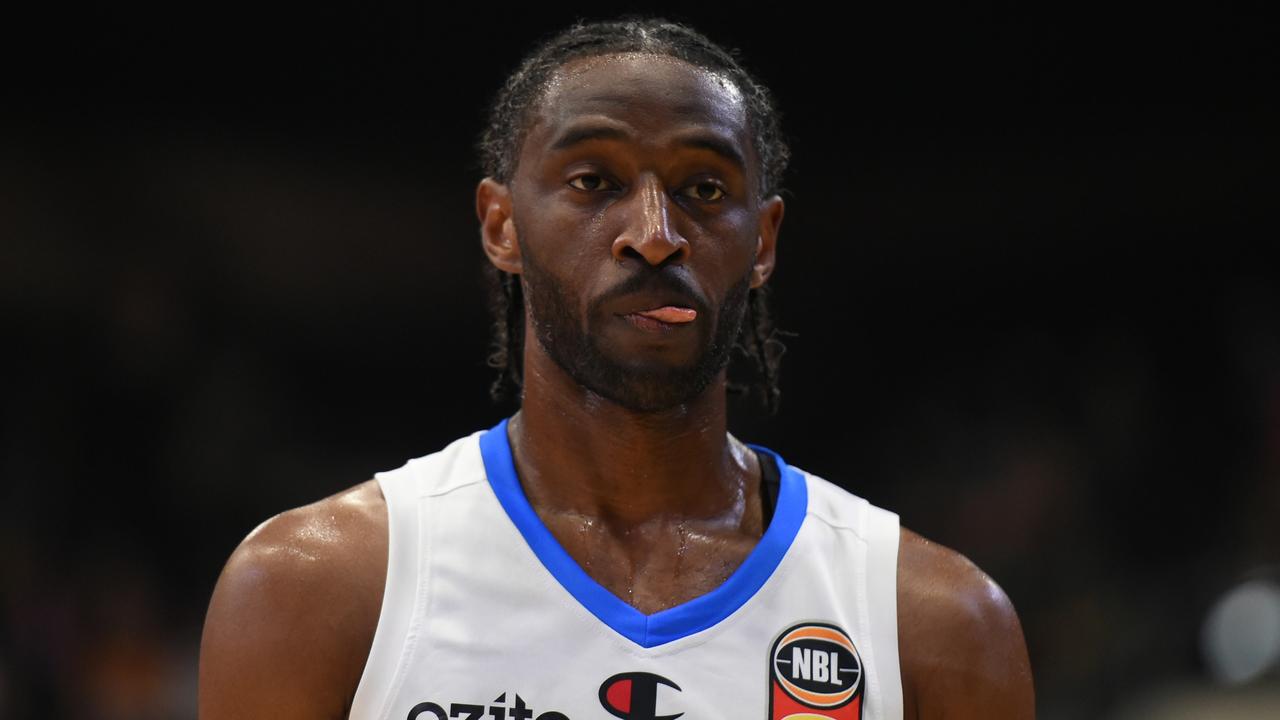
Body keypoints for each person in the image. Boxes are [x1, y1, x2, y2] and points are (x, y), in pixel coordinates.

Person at [198, 17, 1034, 720]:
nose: (655, 232)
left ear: (765, 241)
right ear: (501, 225)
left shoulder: (932, 621)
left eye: (704, 188)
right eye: (594, 180)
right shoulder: (319, 590)